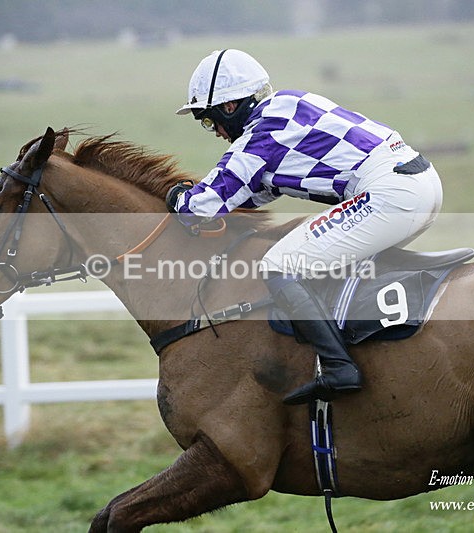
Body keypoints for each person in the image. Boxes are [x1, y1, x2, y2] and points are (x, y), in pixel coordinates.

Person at [167, 49, 443, 405]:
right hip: (420, 181)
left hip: (392, 194)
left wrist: (175, 197)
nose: (216, 132)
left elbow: (199, 207)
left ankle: (338, 367)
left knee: (278, 264)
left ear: (230, 107)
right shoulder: (288, 103)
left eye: (210, 120)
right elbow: (256, 190)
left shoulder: (261, 136)